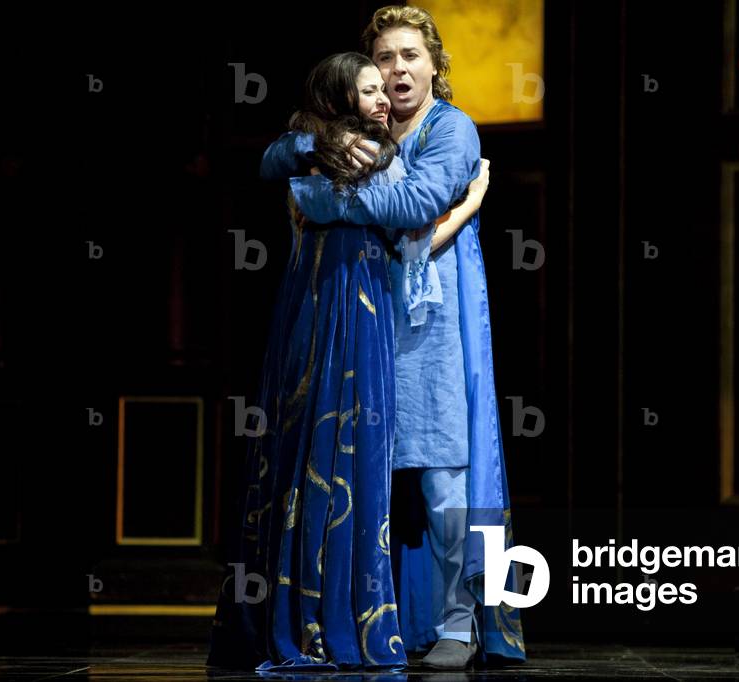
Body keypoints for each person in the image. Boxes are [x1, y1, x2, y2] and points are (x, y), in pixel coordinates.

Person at [262, 5, 526, 670]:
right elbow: (277, 155)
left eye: (410, 55)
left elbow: (414, 205)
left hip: (435, 329)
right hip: (367, 323)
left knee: (444, 483)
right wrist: (314, 149)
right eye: (384, 59)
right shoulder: (356, 130)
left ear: (434, 65)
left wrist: (331, 197)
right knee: (369, 477)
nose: (397, 69)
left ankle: (461, 622)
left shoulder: (452, 129)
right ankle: (378, 619)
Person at [206, 51, 487, 672]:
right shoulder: (343, 151)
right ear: (341, 100)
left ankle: (340, 614)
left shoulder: (342, 150)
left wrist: (322, 161)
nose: (385, 91)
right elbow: (405, 209)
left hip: (343, 307)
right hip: (339, 311)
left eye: (392, 73)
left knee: (342, 459)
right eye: (370, 84)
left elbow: (343, 196)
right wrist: (466, 206)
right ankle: (324, 619)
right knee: (327, 454)